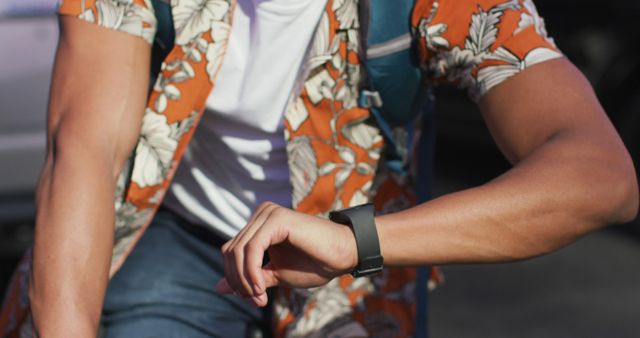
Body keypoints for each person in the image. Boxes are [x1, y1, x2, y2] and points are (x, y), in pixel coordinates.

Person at [1, 0, 638, 337]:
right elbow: (82, 148)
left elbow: (601, 178)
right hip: (183, 232)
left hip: (359, 261)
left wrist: (352, 241)